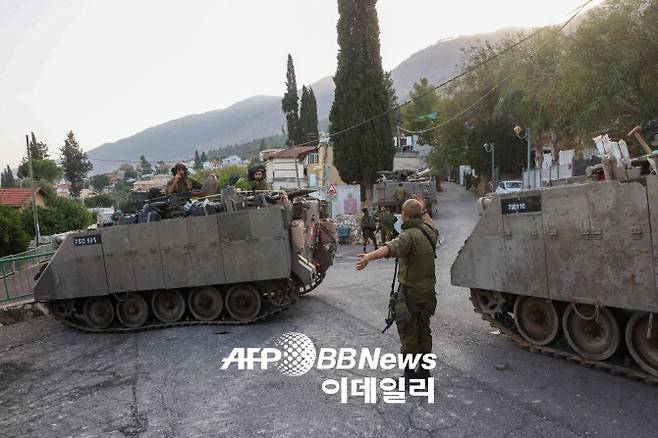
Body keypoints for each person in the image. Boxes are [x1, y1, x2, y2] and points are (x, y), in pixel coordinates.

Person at [356, 198, 438, 380]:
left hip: (410, 293)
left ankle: (409, 377)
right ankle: (424, 374)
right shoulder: (430, 231)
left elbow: (389, 247)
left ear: (405, 215)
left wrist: (369, 256)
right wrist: (423, 210)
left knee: (409, 333)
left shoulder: (408, 236)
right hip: (428, 292)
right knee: (425, 332)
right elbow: (433, 225)